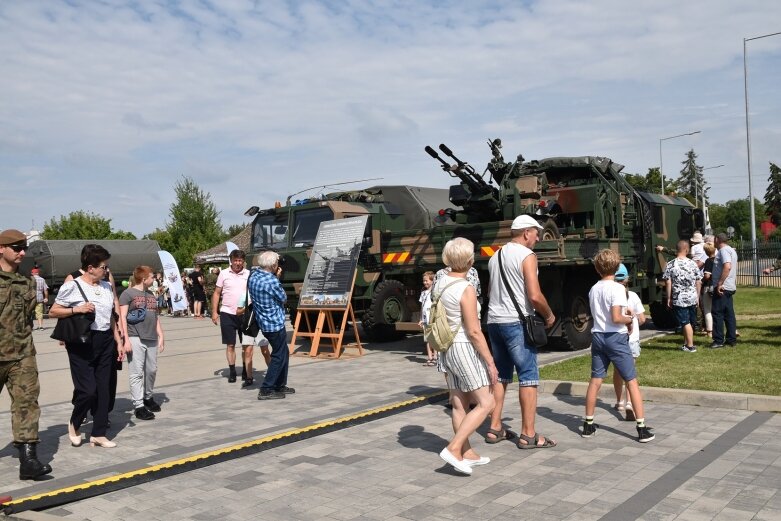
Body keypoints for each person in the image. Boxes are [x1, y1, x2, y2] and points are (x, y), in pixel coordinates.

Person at [486, 215, 557, 449]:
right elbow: (534, 296)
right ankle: (528, 434)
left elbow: (489, 291)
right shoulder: (527, 256)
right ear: (526, 233)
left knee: (502, 377)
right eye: (536, 232)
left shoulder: (495, 256)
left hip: (494, 322)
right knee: (528, 376)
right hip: (516, 323)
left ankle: (495, 428)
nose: (538, 237)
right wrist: (548, 315)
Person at [434, 238, 498, 475]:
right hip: (463, 347)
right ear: (470, 261)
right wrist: (490, 362)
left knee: (459, 402)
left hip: (445, 347)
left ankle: (466, 452)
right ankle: (453, 448)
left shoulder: (439, 283)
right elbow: (474, 331)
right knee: (486, 402)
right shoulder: (466, 289)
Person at [50, 244, 122, 448]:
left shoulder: (107, 286)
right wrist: (77, 309)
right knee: (87, 390)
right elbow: (54, 311)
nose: (106, 271)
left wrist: (118, 339)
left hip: (106, 340)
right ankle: (74, 422)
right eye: (103, 267)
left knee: (104, 389)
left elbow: (111, 315)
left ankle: (98, 433)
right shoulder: (73, 285)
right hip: (83, 342)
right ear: (90, 268)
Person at [582, 249, 654, 443]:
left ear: (597, 269)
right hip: (616, 337)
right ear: (617, 266)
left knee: (596, 380)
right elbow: (616, 317)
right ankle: (641, 427)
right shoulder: (618, 289)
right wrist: (629, 319)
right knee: (631, 380)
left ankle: (588, 424)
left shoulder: (593, 289)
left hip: (597, 336)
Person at [0, 229, 53, 480]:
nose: (22, 252)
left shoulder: (28, 282)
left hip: (22, 354)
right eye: (17, 247)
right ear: (1, 248)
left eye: (24, 248)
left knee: (27, 403)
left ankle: (29, 460)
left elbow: (28, 317)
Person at [212, 250, 269, 386]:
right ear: (231, 261)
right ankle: (232, 371)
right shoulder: (224, 274)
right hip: (227, 313)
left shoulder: (249, 274)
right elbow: (216, 293)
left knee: (246, 345)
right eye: (235, 260)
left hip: (245, 314)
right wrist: (214, 312)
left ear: (243, 261)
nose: (238, 263)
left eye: (240, 260)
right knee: (230, 344)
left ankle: (245, 369)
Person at [119, 266, 165, 421]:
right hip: (135, 336)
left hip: (151, 337)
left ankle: (148, 396)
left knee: (152, 369)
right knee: (137, 372)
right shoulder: (128, 294)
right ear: (144, 279)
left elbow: (155, 316)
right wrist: (125, 339)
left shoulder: (151, 294)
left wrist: (161, 335)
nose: (154, 279)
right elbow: (122, 317)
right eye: (152, 277)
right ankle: (139, 405)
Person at [247, 251, 293, 400]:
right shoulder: (271, 281)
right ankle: (266, 389)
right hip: (274, 323)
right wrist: (277, 278)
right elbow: (283, 298)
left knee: (283, 352)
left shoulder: (253, 276)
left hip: (264, 322)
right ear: (274, 265)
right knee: (279, 355)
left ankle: (280, 385)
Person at [611, 263, 646, 419]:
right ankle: (630, 402)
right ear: (627, 279)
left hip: (617, 338)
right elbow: (643, 319)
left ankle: (619, 401)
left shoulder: (611, 295)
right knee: (630, 373)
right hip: (632, 339)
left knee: (618, 371)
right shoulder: (633, 296)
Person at [662, 240, 702, 353]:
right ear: (686, 249)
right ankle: (686, 343)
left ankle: (690, 346)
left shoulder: (670, 264)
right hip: (692, 296)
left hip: (679, 297)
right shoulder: (693, 263)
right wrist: (698, 296)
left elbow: (668, 282)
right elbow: (698, 281)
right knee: (689, 321)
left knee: (684, 322)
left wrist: (669, 298)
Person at [710, 233, 738, 349]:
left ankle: (718, 340)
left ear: (717, 239)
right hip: (729, 287)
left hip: (723, 287)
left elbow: (727, 266)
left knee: (717, 313)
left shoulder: (723, 251)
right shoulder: (731, 250)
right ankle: (731, 339)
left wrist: (720, 283)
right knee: (728, 314)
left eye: (714, 240)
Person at [418, 271, 435, 366]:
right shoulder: (423, 293)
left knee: (434, 339)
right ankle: (430, 357)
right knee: (427, 339)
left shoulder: (434, 292)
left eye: (427, 281)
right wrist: (420, 318)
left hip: (433, 318)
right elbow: (422, 306)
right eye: (424, 281)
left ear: (432, 281)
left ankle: (436, 357)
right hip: (425, 319)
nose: (425, 283)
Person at [701, 243, 716, 339]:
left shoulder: (708, 261)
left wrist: (701, 280)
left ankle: (709, 330)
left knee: (707, 310)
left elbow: (707, 275)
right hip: (717, 285)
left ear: (706, 251)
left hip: (708, 286)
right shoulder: (718, 259)